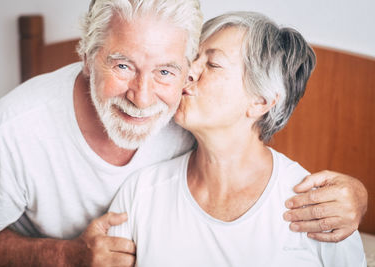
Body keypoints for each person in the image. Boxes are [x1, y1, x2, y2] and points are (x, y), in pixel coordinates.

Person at [0, 0, 367, 266]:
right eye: (123, 65)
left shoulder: (316, 207)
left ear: (262, 101)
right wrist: (66, 258)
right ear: (86, 56)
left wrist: (360, 197)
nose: (145, 96)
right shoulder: (19, 128)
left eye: (170, 69)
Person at [108, 11, 367, 266]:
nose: (188, 72)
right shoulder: (141, 192)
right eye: (192, 58)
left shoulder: (321, 209)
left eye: (212, 64)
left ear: (260, 102)